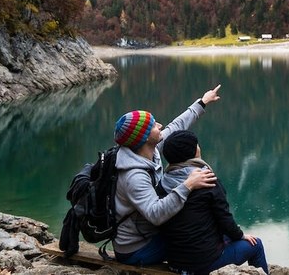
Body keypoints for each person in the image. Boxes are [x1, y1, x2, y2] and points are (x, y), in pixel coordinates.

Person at [112, 85, 222, 266]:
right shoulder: (133, 176)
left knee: (201, 231)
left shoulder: (148, 149)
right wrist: (188, 184)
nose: (160, 125)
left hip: (148, 232)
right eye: (154, 125)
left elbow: (176, 125)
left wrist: (202, 102)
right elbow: (155, 214)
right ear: (145, 137)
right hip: (136, 248)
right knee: (200, 240)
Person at [160, 130, 269, 275]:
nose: (199, 147)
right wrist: (241, 236)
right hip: (203, 263)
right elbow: (224, 218)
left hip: (175, 262)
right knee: (255, 245)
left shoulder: (163, 182)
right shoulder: (207, 181)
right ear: (193, 151)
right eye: (196, 145)